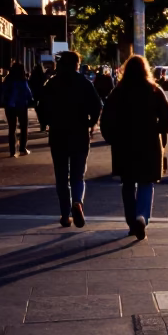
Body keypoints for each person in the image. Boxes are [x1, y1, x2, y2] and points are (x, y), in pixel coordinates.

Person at [100, 55, 168, 240]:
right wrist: (158, 130)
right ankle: (142, 216)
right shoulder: (154, 90)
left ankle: (132, 221)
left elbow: (106, 118)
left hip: (124, 144)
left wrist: (112, 138)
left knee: (128, 183)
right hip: (149, 143)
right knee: (146, 182)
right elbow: (167, 116)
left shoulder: (118, 92)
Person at [37, 51, 103, 228]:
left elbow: (40, 106)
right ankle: (77, 202)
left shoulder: (51, 84)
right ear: (77, 64)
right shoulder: (84, 84)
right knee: (77, 174)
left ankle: (65, 214)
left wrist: (46, 122)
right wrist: (90, 122)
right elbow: (97, 105)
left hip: (58, 134)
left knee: (61, 176)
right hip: (79, 133)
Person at [0, 62, 35, 157]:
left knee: (12, 128)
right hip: (21, 106)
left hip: (10, 106)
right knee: (23, 127)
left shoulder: (7, 80)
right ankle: (22, 148)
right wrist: (31, 99)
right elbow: (28, 93)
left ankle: (12, 150)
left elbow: (3, 92)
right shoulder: (22, 80)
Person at [29, 61, 48, 132]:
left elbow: (30, 85)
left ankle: (42, 123)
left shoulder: (33, 76)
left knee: (38, 110)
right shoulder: (43, 76)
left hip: (35, 95)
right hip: (43, 95)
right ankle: (44, 124)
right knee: (43, 110)